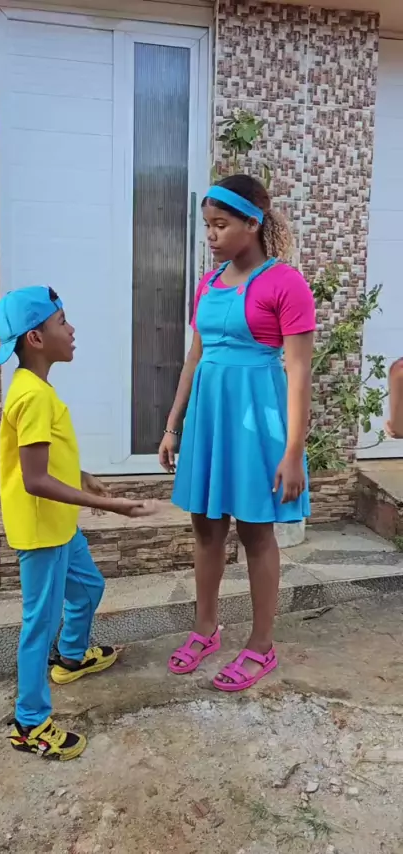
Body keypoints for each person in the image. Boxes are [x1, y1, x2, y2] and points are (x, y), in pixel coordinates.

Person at [159, 174, 315, 693]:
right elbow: (195, 357)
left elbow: (299, 373)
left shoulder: (285, 283)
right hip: (209, 419)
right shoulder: (208, 285)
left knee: (255, 532)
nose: (211, 235)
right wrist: (173, 425)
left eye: (221, 224)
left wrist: (293, 451)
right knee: (206, 527)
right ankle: (205, 629)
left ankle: (261, 645)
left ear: (252, 223)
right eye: (207, 225)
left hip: (257, 421)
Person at [0, 286, 157, 761]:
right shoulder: (32, 397)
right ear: (36, 338)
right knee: (38, 625)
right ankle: (29, 724)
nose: (72, 330)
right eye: (62, 322)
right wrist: (112, 505)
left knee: (88, 589)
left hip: (60, 526)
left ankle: (72, 655)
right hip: (42, 532)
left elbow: (45, 456)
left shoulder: (37, 389)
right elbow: (35, 479)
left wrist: (83, 476)